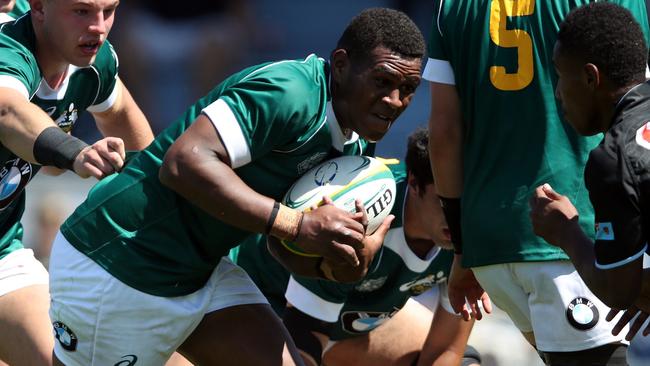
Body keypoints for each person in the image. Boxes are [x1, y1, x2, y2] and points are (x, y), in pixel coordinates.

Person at [47, 7, 425, 366]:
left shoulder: (357, 141)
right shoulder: (291, 92)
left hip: (202, 270)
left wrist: (339, 265)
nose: (395, 101)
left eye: (408, 88)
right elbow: (184, 163)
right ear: (341, 65)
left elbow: (282, 245)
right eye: (383, 82)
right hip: (119, 257)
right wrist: (297, 224)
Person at [425, 0, 649, 365]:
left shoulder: (451, 6)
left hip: (492, 243)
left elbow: (445, 131)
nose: (560, 92)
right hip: (577, 235)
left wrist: (463, 249)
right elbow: (636, 95)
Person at [233, 128, 480, 366]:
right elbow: (304, 337)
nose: (460, 217)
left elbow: (446, 349)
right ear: (415, 184)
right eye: (446, 202)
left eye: (469, 201)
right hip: (268, 306)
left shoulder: (475, 231)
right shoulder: (359, 215)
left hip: (356, 324)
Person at [0, 0, 154, 365]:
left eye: (109, 10)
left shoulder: (94, 65)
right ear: (39, 9)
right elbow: (6, 109)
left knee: (63, 359)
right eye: (82, 11)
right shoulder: (10, 49)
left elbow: (121, 115)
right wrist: (74, 152)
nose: (98, 27)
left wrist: (163, 202)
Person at [529, 2, 650, 341]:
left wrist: (566, 232)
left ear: (589, 77)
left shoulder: (613, 159)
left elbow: (617, 292)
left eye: (559, 75)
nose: (557, 93)